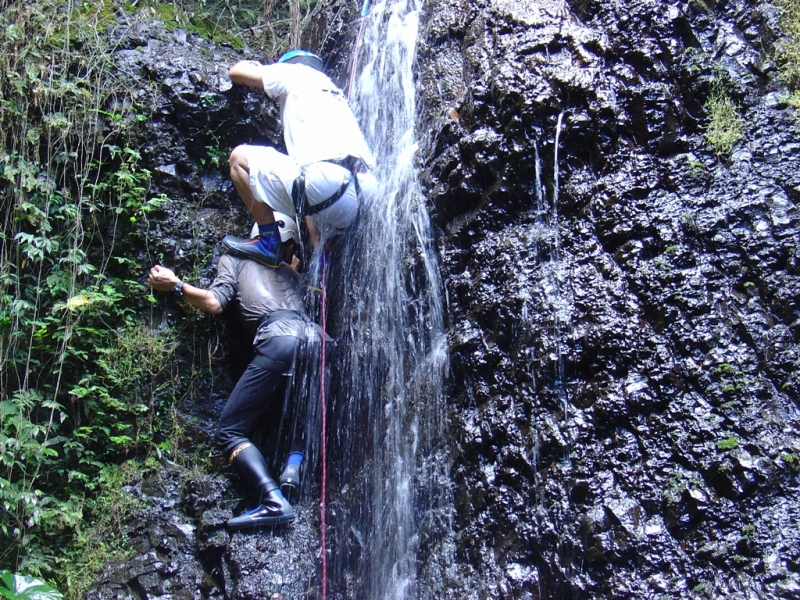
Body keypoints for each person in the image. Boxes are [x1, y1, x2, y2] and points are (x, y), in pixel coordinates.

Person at [148, 214, 321, 531]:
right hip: (319, 341)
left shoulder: (236, 258)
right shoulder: (292, 274)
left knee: (230, 432)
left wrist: (176, 285)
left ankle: (272, 499)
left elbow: (214, 302)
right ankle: (292, 468)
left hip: (280, 340)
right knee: (299, 406)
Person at [223, 49, 378, 266]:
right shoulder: (336, 95)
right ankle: (323, 257)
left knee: (238, 159)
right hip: (366, 193)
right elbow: (308, 185)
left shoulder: (295, 73)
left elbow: (236, 73)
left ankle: (269, 241)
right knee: (310, 180)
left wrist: (254, 66)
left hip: (327, 186)